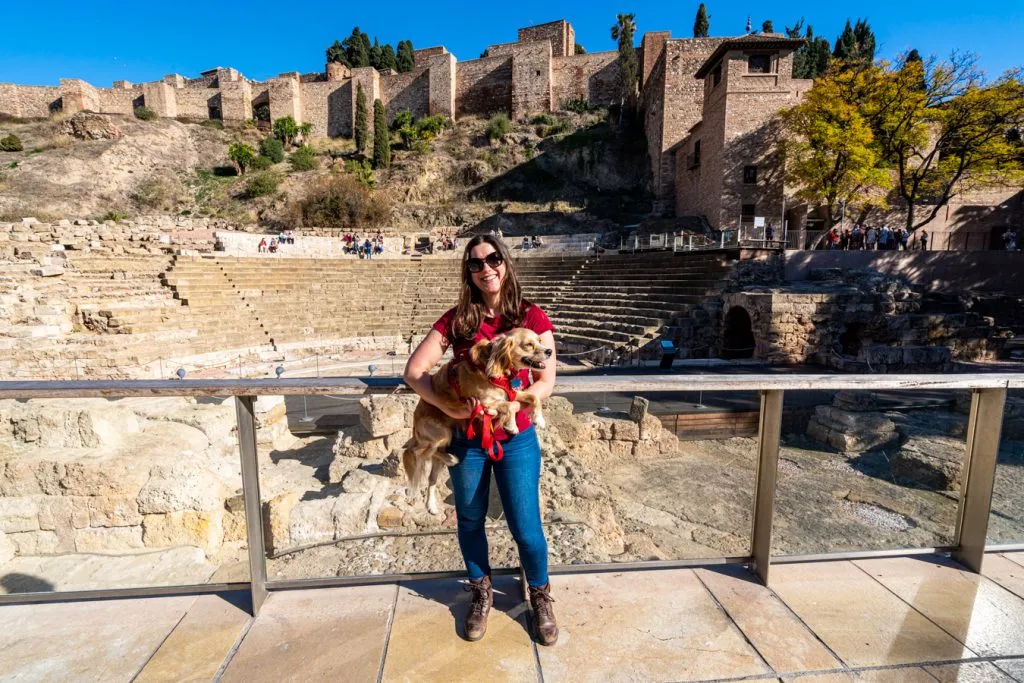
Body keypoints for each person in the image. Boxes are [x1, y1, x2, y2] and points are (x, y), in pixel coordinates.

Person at [403, 235, 559, 646]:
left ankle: (540, 596)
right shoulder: (457, 320)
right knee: (470, 520)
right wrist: (449, 409)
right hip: (468, 442)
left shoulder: (531, 317)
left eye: (493, 259)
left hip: (517, 438)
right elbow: (414, 371)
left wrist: (517, 405)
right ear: (468, 273)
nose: (486, 268)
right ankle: (481, 592)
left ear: (505, 263)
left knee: (526, 527)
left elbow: (546, 379)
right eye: (476, 263)